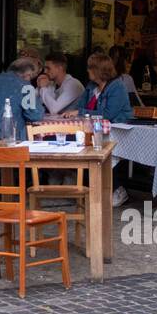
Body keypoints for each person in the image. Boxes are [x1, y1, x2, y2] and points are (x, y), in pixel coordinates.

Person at [66, 52, 134, 206]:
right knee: (77, 142)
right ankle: (87, 186)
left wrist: (81, 112)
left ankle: (117, 189)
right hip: (95, 127)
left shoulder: (117, 87)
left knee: (103, 149)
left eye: (90, 68)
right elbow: (80, 105)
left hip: (117, 129)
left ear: (98, 70)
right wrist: (75, 112)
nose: (88, 71)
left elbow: (108, 114)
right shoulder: (91, 87)